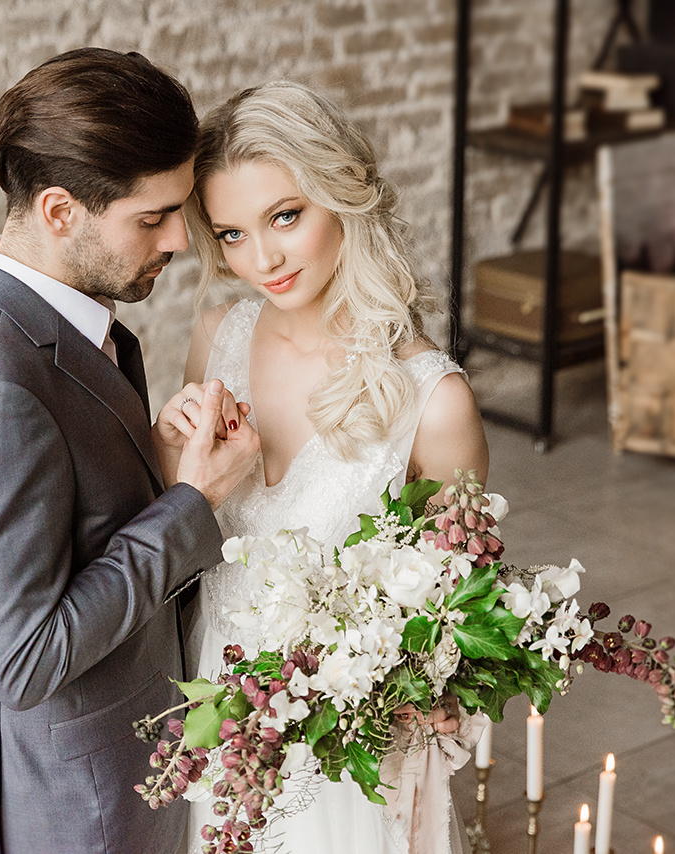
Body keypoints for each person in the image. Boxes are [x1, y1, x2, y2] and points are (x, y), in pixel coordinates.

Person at [0, 48, 259, 854]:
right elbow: (26, 660)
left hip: (125, 760)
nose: (181, 238)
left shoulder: (54, 319)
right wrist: (194, 502)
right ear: (60, 210)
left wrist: (157, 467)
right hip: (83, 807)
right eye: (152, 217)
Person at [165, 82, 490, 854]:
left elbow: (461, 609)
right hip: (215, 711)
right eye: (232, 233)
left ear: (343, 195)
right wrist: (169, 446)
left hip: (347, 756)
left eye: (285, 216)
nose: (263, 259)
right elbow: (178, 522)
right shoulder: (219, 337)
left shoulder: (432, 401)